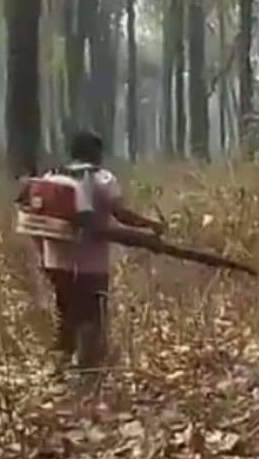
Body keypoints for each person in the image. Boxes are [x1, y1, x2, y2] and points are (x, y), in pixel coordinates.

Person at [33, 131, 164, 368]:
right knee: (93, 316)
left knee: (67, 311)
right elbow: (121, 215)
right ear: (96, 153)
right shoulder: (103, 178)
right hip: (90, 264)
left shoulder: (51, 177)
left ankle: (61, 365)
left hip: (56, 260)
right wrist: (150, 225)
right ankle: (88, 371)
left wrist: (42, 256)